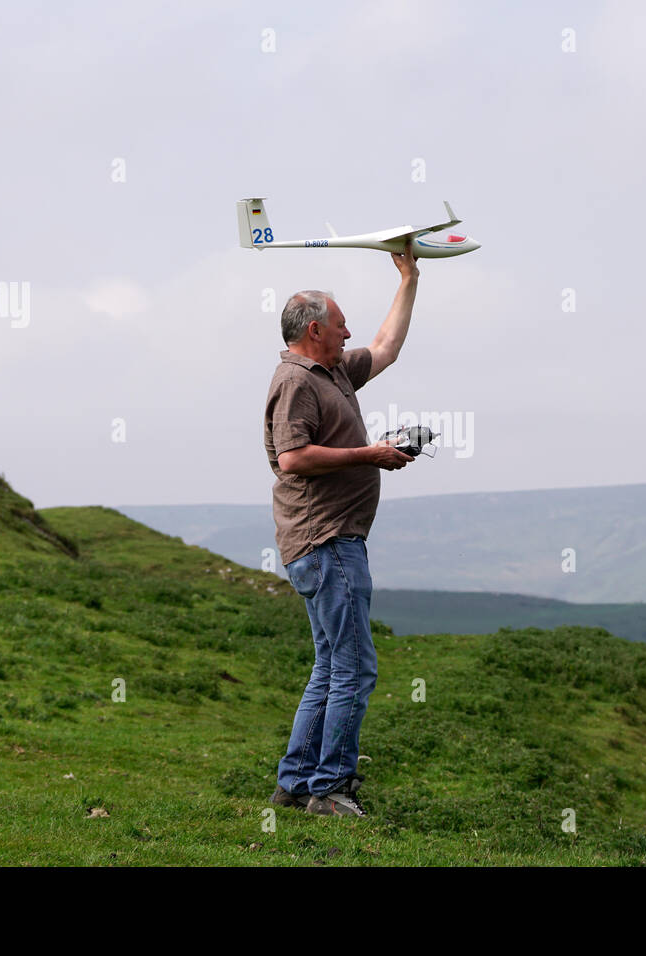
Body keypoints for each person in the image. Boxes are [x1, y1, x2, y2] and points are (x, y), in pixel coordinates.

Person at [263, 243, 420, 816]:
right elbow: (292, 458)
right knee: (354, 667)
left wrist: (409, 277)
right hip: (325, 541)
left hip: (329, 541)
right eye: (339, 323)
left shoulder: (332, 370)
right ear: (313, 330)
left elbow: (387, 347)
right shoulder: (297, 382)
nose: (348, 330)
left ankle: (295, 783)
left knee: (330, 666)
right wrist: (369, 454)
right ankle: (329, 790)